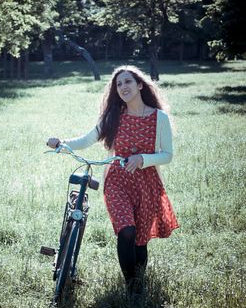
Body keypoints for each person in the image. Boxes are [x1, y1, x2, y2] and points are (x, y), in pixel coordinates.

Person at [47, 65, 179, 291]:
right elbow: (87, 139)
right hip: (117, 180)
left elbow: (167, 155)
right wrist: (62, 143)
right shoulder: (114, 116)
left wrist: (143, 159)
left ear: (139, 85)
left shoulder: (159, 118)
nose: (123, 87)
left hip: (147, 183)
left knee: (140, 238)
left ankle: (139, 284)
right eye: (118, 84)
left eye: (127, 82)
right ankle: (131, 288)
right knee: (127, 230)